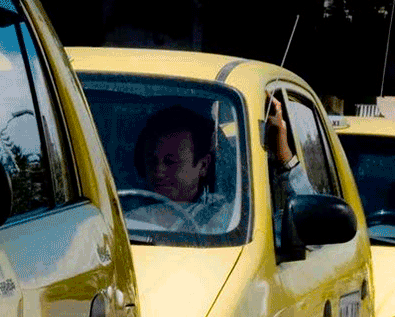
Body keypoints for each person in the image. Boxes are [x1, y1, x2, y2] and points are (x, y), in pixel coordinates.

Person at [129, 96, 311, 233]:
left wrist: (284, 157)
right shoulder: (123, 215)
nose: (158, 171)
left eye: (170, 162)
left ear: (203, 166)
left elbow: (310, 228)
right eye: (152, 160)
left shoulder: (231, 221)